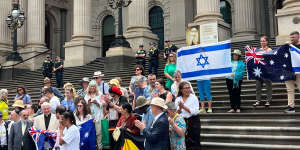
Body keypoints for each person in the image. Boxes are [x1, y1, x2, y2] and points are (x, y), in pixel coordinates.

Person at [175, 81, 200, 150]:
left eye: (189, 88)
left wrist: (184, 107)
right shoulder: (178, 99)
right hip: (182, 121)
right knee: (184, 141)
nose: (188, 89)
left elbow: (195, 111)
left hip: (193, 121)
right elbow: (177, 113)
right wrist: (180, 108)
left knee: (194, 141)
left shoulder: (194, 98)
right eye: (185, 88)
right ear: (181, 90)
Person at [253, 36, 273, 107]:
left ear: (267, 42)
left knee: (268, 86)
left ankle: (268, 100)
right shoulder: (258, 50)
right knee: (258, 86)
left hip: (267, 70)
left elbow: (271, 60)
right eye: (261, 41)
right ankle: (258, 100)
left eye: (264, 41)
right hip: (259, 71)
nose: (262, 42)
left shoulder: (269, 49)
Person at [84, 80, 104, 149]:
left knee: (98, 133)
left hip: (98, 116)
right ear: (89, 87)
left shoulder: (100, 94)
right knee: (91, 133)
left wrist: (97, 103)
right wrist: (88, 103)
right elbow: (84, 105)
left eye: (94, 86)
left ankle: (100, 147)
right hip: (90, 116)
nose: (92, 88)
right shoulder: (86, 95)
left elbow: (103, 104)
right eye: (91, 86)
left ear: (96, 87)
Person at [284, 31, 300, 113]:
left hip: (298, 71)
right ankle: (291, 106)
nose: (291, 39)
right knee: (289, 89)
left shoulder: (293, 46)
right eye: (291, 37)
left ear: (298, 37)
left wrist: (290, 45)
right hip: (289, 71)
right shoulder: (288, 46)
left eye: (293, 37)